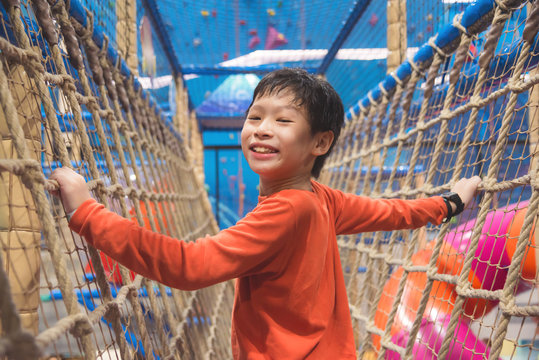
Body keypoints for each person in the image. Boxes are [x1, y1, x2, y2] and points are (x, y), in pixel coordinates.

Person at [50, 68, 482, 360]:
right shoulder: (320, 199)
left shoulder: (286, 210)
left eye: (282, 120)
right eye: (254, 116)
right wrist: (450, 203)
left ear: (320, 143)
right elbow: (391, 212)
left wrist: (88, 212)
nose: (261, 128)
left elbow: (189, 264)